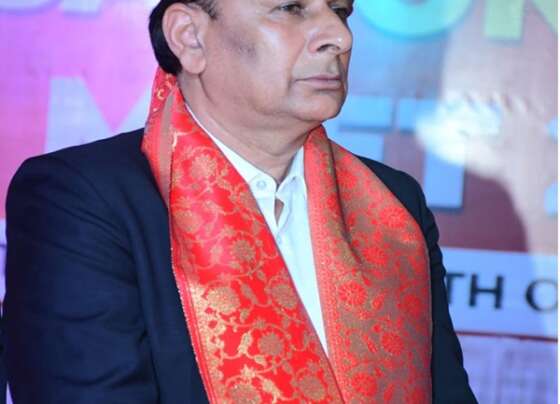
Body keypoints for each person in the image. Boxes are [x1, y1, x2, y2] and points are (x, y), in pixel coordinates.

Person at [4, 0, 477, 402]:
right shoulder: (82, 200)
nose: (339, 36)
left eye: (340, 10)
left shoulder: (393, 203)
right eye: (290, 8)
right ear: (190, 37)